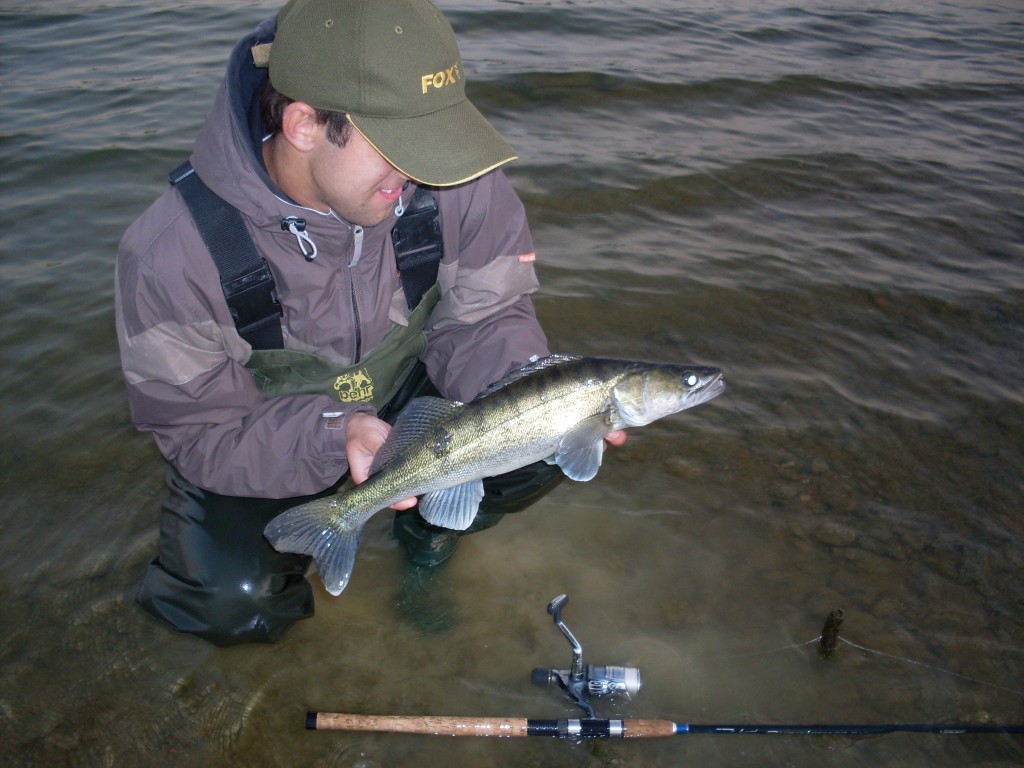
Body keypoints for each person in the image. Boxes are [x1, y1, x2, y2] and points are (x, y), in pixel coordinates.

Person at [115, 0, 624, 646]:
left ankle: (429, 527)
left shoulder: (450, 177)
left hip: (414, 395)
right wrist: (333, 437)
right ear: (304, 125)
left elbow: (487, 315)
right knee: (229, 603)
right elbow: (199, 431)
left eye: (434, 139)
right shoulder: (168, 253)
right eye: (402, 147)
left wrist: (525, 393)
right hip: (269, 429)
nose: (424, 173)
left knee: (549, 436)